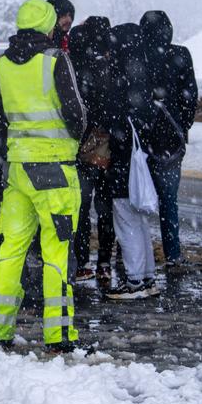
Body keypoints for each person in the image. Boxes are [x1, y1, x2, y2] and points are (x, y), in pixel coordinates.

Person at [0, 0, 85, 351]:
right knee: (57, 253)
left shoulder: (0, 66)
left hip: (18, 170)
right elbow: (76, 115)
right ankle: (59, 335)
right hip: (55, 170)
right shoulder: (56, 60)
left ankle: (0, 330)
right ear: (49, 26)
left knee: (11, 252)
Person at [132, 10, 198, 276]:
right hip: (170, 142)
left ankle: (136, 257)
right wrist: (181, 126)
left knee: (134, 200)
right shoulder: (179, 54)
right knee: (168, 201)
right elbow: (190, 96)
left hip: (139, 143)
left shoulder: (136, 56)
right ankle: (173, 255)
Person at [105, 22, 159, 300]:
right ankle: (147, 277)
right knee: (138, 221)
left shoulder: (119, 78)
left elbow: (114, 121)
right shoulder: (143, 73)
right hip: (139, 160)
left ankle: (135, 281)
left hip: (123, 163)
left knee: (126, 220)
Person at [67, 17, 121, 288]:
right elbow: (113, 105)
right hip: (107, 144)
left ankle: (81, 263)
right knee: (106, 208)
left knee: (81, 207)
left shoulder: (72, 65)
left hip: (80, 143)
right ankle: (104, 264)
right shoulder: (110, 65)